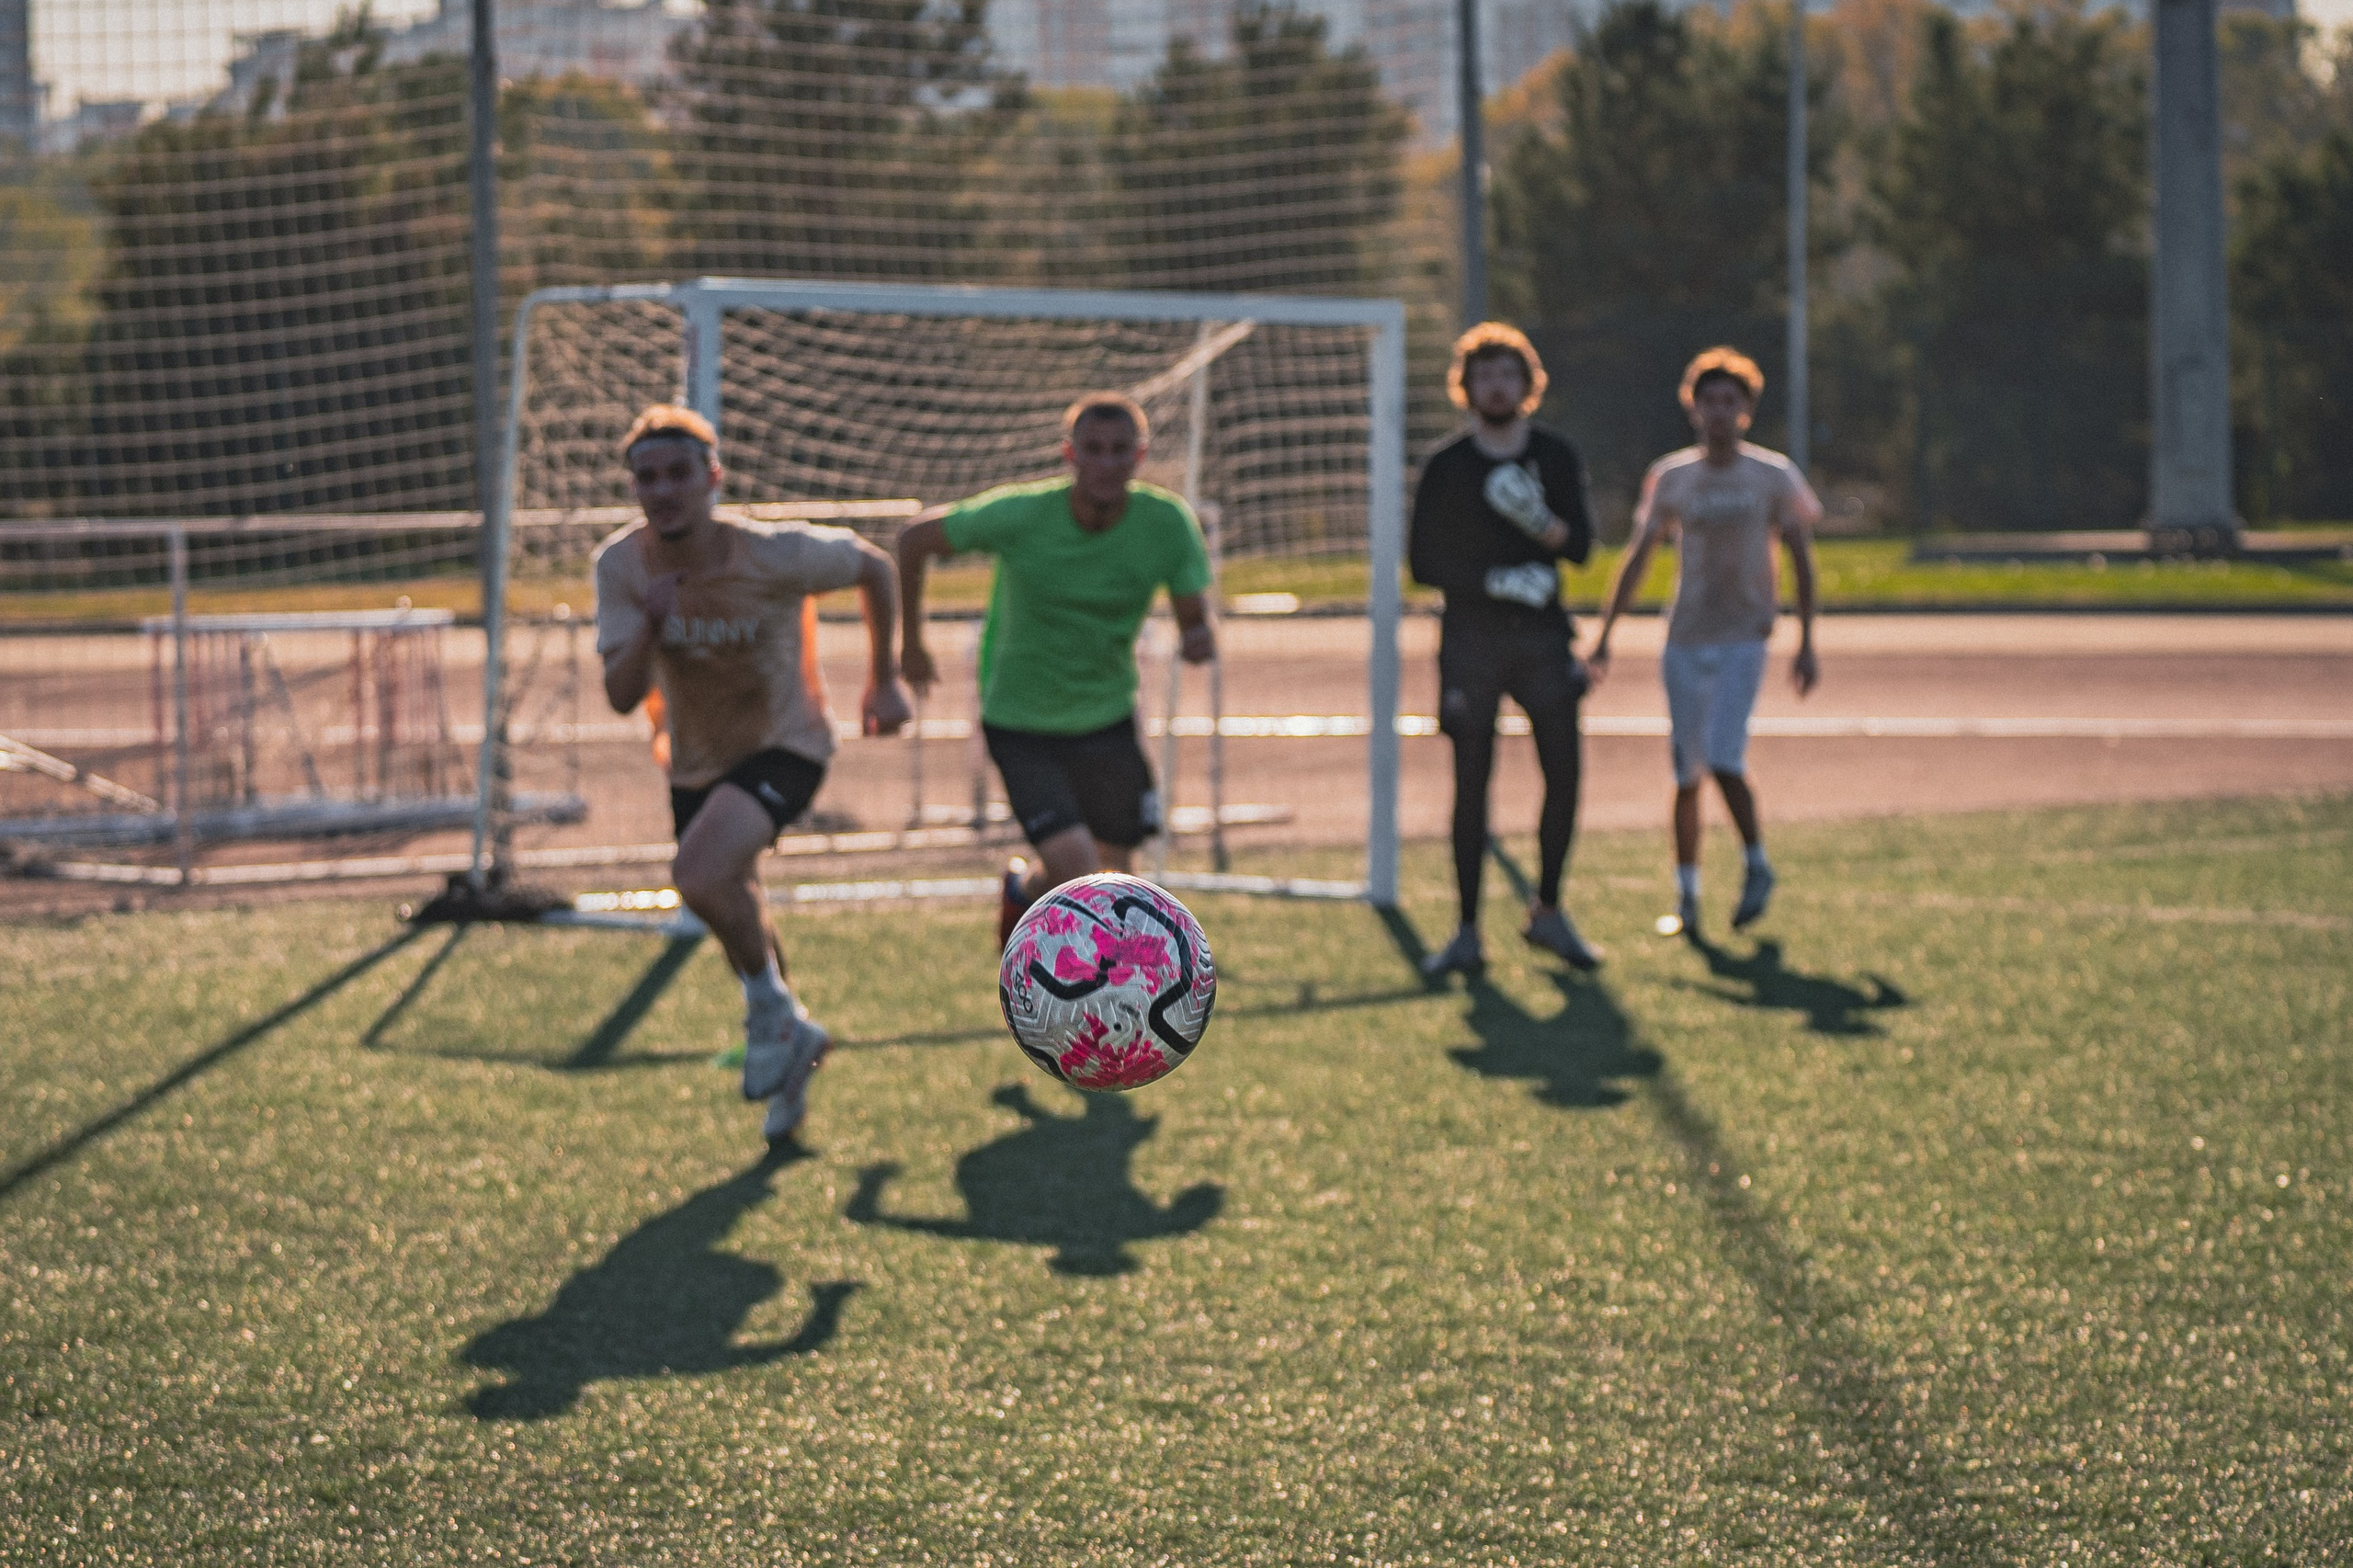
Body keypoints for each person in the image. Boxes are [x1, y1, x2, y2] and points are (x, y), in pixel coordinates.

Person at [594, 403, 912, 1153]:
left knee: (699, 877)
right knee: (735, 900)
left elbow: (875, 564)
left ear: (714, 478)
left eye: (680, 474)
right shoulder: (622, 566)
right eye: (648, 478)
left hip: (786, 745)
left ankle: (769, 1012)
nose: (664, 490)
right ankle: (789, 1046)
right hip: (696, 759)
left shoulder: (771, 554)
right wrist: (649, 621)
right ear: (635, 487)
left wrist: (885, 678)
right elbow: (616, 695)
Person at [895, 392, 1215, 946]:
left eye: (1121, 451)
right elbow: (913, 539)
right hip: (1021, 721)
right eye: (1093, 449)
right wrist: (911, 645)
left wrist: (1197, 634)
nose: (1107, 463)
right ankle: (1063, 984)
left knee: (1118, 885)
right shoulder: (1023, 515)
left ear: (1139, 457)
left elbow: (1194, 614)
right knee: (1079, 867)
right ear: (1070, 454)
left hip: (1108, 717)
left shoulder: (1166, 522)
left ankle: (1024, 891)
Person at [1587, 347, 1821, 938]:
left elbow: (1800, 555)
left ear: (1747, 409)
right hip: (1686, 637)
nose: (1719, 411)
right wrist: (1605, 635)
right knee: (1686, 772)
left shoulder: (1773, 475)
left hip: (1744, 635)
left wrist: (1808, 639)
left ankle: (1755, 864)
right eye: (1708, 399)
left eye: (1730, 400)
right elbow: (1640, 556)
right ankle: (1687, 895)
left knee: (1723, 756)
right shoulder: (1672, 477)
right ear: (1691, 407)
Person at [1408, 322, 1600, 979]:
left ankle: (1548, 911)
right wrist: (1490, 579)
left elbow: (1579, 547)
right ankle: (1466, 931)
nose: (1496, 385)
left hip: (1543, 638)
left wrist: (1539, 523)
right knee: (1471, 780)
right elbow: (1422, 562)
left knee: (1565, 770)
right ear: (1466, 387)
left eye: (1507, 374)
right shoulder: (1447, 465)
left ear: (1527, 384)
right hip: (1471, 641)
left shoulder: (1554, 455)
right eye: (1483, 374)